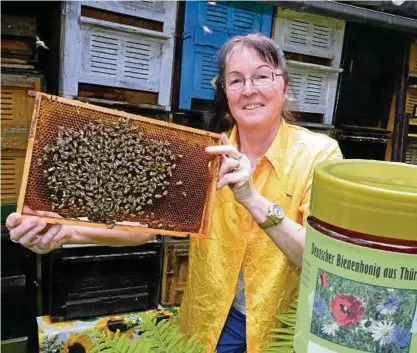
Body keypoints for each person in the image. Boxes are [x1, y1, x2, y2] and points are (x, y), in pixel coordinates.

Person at [6, 33, 343, 353]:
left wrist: (253, 200)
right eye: (236, 79)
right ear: (225, 92)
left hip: (279, 328)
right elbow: (146, 228)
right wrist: (65, 231)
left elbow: (319, 256)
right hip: (210, 321)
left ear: (284, 85)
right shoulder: (203, 155)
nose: (249, 89)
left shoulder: (321, 156)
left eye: (262, 76)